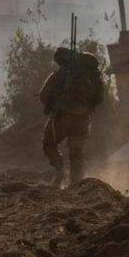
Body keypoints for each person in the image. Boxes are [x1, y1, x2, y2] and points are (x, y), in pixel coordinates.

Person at [39, 47, 104, 187]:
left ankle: (59, 170)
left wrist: (53, 103)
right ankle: (77, 183)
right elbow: (99, 98)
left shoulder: (59, 74)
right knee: (76, 152)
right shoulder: (93, 78)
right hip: (83, 120)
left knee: (48, 142)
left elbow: (43, 96)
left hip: (62, 117)